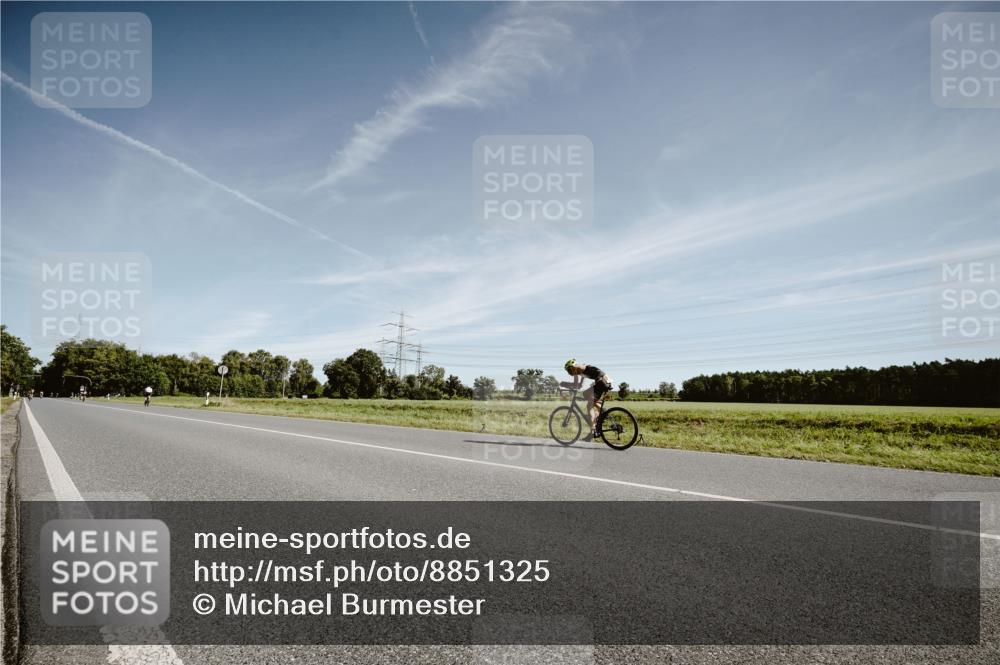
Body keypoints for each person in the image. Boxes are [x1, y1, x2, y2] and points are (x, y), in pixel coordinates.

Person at [562, 359, 613, 442]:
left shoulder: (577, 368)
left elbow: (575, 384)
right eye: (568, 371)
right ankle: (602, 411)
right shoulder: (580, 370)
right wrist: (570, 386)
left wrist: (564, 383)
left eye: (569, 370)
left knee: (589, 405)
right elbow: (579, 386)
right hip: (603, 380)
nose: (570, 372)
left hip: (601, 381)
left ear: (573, 366)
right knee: (585, 394)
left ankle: (592, 430)